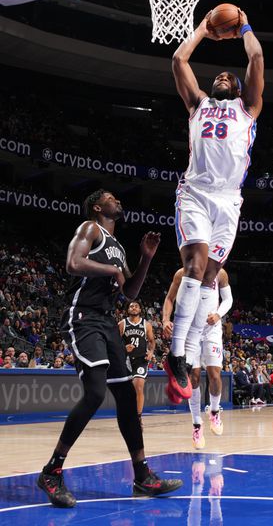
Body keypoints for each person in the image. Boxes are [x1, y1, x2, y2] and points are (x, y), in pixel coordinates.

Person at [37, 189, 182, 508]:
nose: (118, 201)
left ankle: (142, 476)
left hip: (105, 320)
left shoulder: (117, 246)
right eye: (112, 198)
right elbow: (73, 263)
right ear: (98, 206)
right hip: (83, 316)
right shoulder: (90, 228)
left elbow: (129, 293)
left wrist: (145, 259)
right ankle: (52, 471)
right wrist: (112, 271)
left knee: (128, 397)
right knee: (94, 392)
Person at [164, 9, 264, 402]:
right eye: (218, 76)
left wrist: (245, 26)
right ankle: (177, 357)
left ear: (238, 90)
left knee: (209, 279)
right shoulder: (198, 105)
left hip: (230, 201)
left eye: (228, 77)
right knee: (195, 265)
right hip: (196, 193)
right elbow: (178, 60)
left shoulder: (248, 108)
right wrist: (203, 30)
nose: (221, 77)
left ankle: (186, 359)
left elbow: (255, 58)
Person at [163, 267, 233, 449]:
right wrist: (165, 320)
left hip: (211, 330)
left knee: (215, 375)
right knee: (192, 377)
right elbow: (169, 299)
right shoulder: (181, 273)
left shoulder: (220, 273)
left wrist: (218, 314)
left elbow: (228, 299)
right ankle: (196, 424)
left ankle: (215, 411)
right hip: (189, 331)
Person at [118, 300, 155, 426]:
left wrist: (150, 352)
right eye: (131, 306)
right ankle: (128, 415)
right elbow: (115, 343)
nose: (133, 308)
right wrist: (123, 348)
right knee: (128, 391)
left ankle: (137, 418)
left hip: (141, 359)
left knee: (139, 385)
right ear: (128, 310)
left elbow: (151, 341)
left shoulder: (146, 324)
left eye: (136, 306)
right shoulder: (122, 324)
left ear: (140, 310)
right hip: (126, 360)